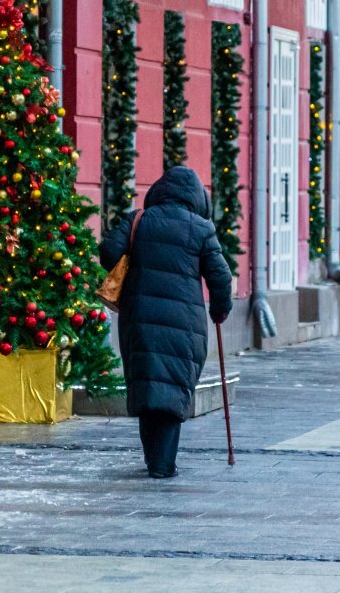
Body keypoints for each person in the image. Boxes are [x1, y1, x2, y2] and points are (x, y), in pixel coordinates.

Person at [100, 166, 233, 479]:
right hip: (185, 322)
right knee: (172, 386)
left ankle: (155, 460)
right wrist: (220, 310)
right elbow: (221, 276)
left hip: (140, 317)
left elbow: (108, 252)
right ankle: (163, 463)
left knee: (148, 385)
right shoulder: (201, 229)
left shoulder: (139, 220)